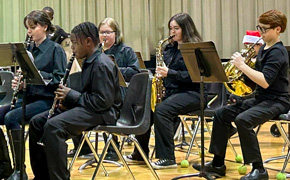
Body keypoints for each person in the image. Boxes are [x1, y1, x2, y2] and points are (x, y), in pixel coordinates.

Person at [193, 9, 290, 180]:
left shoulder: (278, 52)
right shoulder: (264, 49)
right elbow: (255, 82)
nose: (261, 32)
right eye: (259, 28)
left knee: (243, 120)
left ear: (278, 29)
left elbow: (266, 81)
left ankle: (259, 169)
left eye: (264, 29)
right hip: (261, 98)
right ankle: (217, 164)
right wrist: (240, 72)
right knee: (221, 114)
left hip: (278, 101)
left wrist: (242, 65)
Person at [29, 22, 122, 180]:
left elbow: (102, 102)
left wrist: (71, 95)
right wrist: (68, 102)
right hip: (90, 107)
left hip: (104, 113)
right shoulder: (89, 61)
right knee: (36, 122)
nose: (72, 48)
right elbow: (88, 97)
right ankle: (42, 176)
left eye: (74, 43)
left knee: (54, 126)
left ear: (88, 42)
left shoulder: (101, 64)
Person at [124, 12, 206, 169]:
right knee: (146, 108)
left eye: (176, 28)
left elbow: (195, 77)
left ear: (186, 29)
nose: (172, 32)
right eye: (170, 28)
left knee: (162, 110)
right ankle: (139, 153)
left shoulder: (194, 49)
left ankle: (167, 158)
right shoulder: (169, 48)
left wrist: (170, 73)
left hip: (194, 93)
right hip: (173, 92)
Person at [0, 10, 67, 180]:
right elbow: (24, 76)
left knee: (11, 118)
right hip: (28, 98)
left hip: (46, 100)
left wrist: (36, 78)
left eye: (33, 27)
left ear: (45, 27)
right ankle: (4, 166)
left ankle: (19, 170)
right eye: (27, 28)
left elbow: (59, 79)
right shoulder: (27, 50)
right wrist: (19, 83)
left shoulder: (55, 49)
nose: (29, 31)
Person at [68, 17, 140, 161]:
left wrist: (115, 70)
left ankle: (112, 149)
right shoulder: (95, 52)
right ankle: (83, 147)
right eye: (102, 32)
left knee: (105, 105)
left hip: (121, 91)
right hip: (101, 92)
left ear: (116, 34)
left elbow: (135, 71)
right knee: (73, 102)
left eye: (108, 32)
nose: (104, 36)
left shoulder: (125, 51)